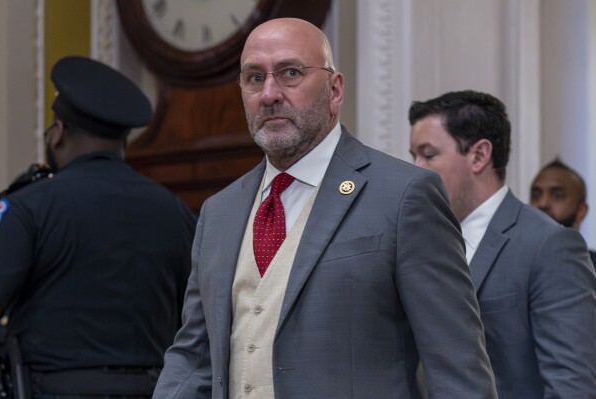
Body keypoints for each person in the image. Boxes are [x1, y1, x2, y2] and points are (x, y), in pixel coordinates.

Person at [153, 18, 496, 399]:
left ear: (335, 90)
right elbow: (193, 357)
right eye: (254, 78)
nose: (269, 93)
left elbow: (456, 366)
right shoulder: (219, 212)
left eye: (290, 73)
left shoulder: (405, 196)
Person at [0, 56, 197, 397]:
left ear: (58, 134)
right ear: (123, 142)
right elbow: (196, 321)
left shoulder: (28, 206)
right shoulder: (176, 212)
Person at [409, 90, 596, 398]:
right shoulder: (421, 242)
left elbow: (571, 385)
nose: (415, 169)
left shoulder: (549, 246)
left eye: (428, 155)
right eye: (413, 155)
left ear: (479, 156)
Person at [530, 158, 596, 265]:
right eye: (536, 195)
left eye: (557, 195)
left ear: (580, 211)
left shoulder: (590, 268)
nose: (542, 203)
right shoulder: (512, 262)